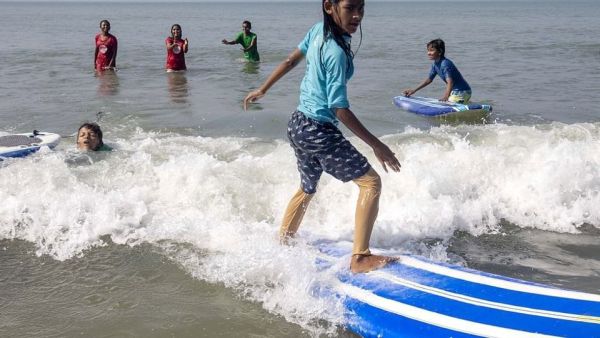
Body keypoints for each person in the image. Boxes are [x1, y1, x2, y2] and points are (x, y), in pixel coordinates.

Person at [244, 0, 401, 273]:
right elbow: (339, 109)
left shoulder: (318, 30)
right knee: (371, 183)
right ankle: (360, 257)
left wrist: (264, 88)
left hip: (297, 125)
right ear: (329, 6)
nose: (357, 15)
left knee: (307, 187)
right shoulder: (336, 52)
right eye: (350, 8)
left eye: (361, 8)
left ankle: (284, 241)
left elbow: (290, 59)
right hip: (318, 130)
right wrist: (378, 145)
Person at [403, 38, 471, 103]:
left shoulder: (445, 64)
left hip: (462, 91)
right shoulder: (435, 64)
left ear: (440, 52)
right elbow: (428, 80)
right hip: (456, 91)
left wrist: (446, 96)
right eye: (428, 50)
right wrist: (413, 90)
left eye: (431, 50)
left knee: (447, 106)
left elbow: (450, 82)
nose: (428, 53)